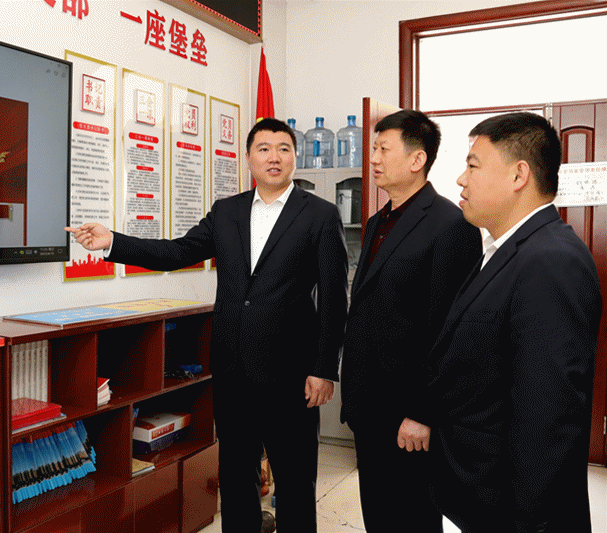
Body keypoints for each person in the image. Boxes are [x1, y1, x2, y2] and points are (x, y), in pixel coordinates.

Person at [67, 117, 348, 533]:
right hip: (233, 371)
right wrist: (113, 241)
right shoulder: (227, 211)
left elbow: (335, 299)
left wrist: (324, 369)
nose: (274, 157)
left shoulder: (320, 215)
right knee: (235, 477)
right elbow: (177, 252)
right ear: (248, 158)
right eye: (264, 148)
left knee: (295, 482)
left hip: (291, 375)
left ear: (295, 158)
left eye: (284, 149)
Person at [426, 112, 602, 532]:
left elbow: (547, 418)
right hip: (481, 496)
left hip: (513, 511)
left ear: (518, 175)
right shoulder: (504, 249)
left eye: (472, 166)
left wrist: (529, 522)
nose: (460, 180)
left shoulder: (550, 261)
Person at [339, 109, 482, 532]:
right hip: (369, 408)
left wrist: (423, 413)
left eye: (384, 149)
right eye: (373, 148)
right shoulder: (378, 221)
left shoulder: (450, 225)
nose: (373, 158)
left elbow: (449, 331)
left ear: (417, 159)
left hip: (409, 414)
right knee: (379, 516)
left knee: (413, 519)